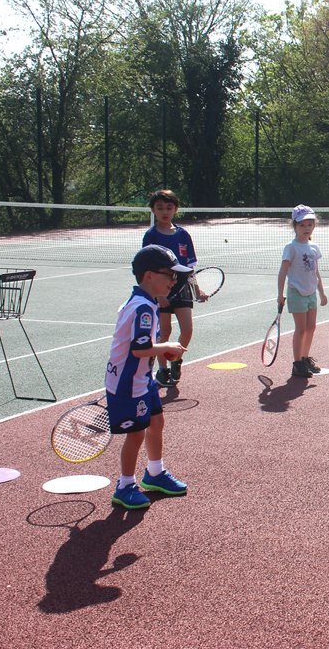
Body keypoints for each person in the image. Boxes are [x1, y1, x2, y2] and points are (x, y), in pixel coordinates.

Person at [106, 245, 191, 510]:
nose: (173, 281)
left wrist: (161, 351)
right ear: (149, 275)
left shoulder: (144, 303)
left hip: (143, 377)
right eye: (169, 274)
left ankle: (154, 472)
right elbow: (138, 348)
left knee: (157, 421)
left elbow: (143, 346)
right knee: (135, 434)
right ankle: (125, 485)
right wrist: (167, 347)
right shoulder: (143, 308)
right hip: (129, 383)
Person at [142, 189, 199, 387]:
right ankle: (163, 369)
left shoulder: (183, 235)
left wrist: (197, 290)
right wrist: (158, 295)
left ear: (175, 209)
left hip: (182, 287)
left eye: (169, 208)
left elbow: (190, 266)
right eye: (160, 208)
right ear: (153, 211)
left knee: (188, 330)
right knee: (164, 331)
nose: (165, 212)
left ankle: (176, 359)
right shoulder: (150, 236)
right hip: (160, 289)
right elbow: (146, 266)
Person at [277, 204, 328, 378]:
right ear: (295, 226)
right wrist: (280, 294)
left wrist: (322, 292)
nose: (306, 228)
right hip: (296, 293)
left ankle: (305, 359)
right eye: (302, 225)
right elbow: (283, 272)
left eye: (310, 224)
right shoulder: (291, 248)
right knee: (300, 329)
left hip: (311, 293)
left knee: (311, 327)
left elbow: (316, 272)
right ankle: (297, 364)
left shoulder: (314, 247)